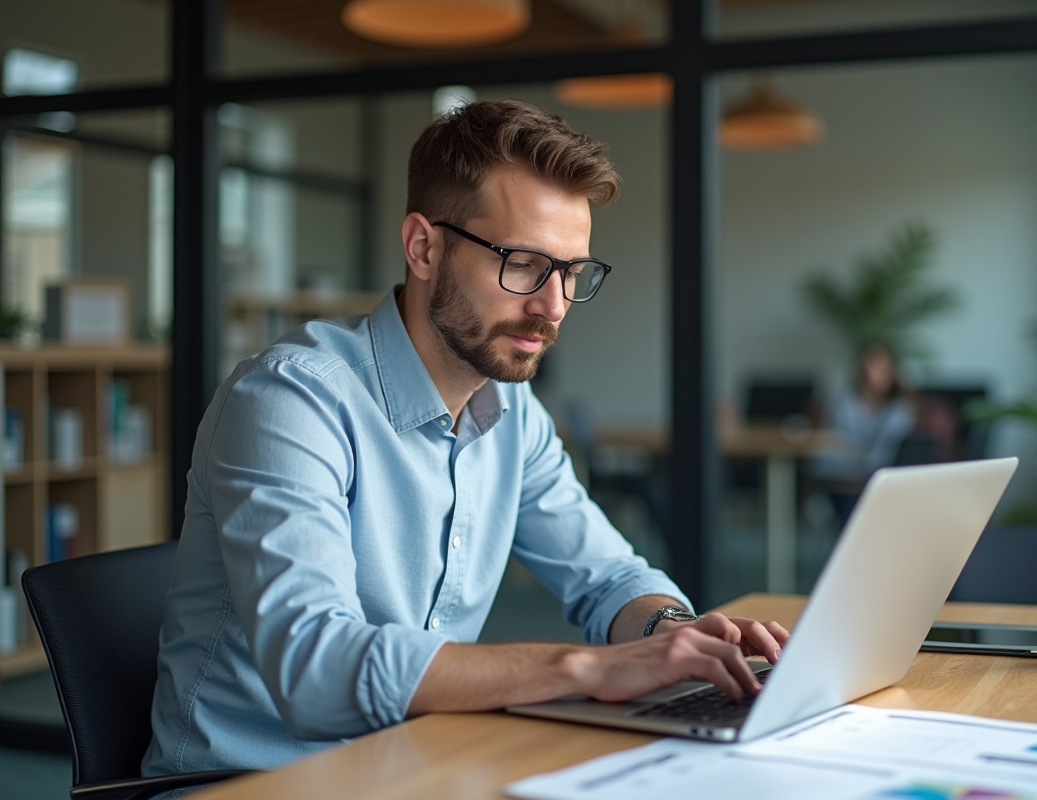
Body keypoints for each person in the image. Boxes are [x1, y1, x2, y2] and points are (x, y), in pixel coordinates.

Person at [142, 99, 788, 779]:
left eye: (571, 272)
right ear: (423, 247)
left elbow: (608, 577)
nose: (553, 306)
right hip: (254, 784)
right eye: (523, 263)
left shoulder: (513, 411)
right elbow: (317, 670)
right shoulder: (289, 401)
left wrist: (671, 631)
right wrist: (588, 667)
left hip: (414, 766)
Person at [810, 344, 916, 522]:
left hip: (882, 476)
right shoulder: (843, 402)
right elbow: (834, 442)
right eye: (874, 368)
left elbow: (894, 448)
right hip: (841, 474)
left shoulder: (899, 409)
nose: (878, 375)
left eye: (884, 369)